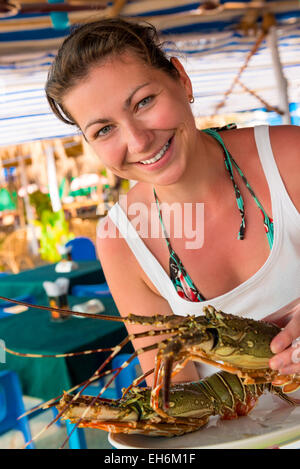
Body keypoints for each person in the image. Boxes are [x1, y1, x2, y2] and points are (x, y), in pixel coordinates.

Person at [45, 17, 300, 385]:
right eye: (104, 130)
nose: (138, 141)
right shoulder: (122, 241)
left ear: (181, 79)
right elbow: (176, 392)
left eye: (144, 101)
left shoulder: (290, 157)